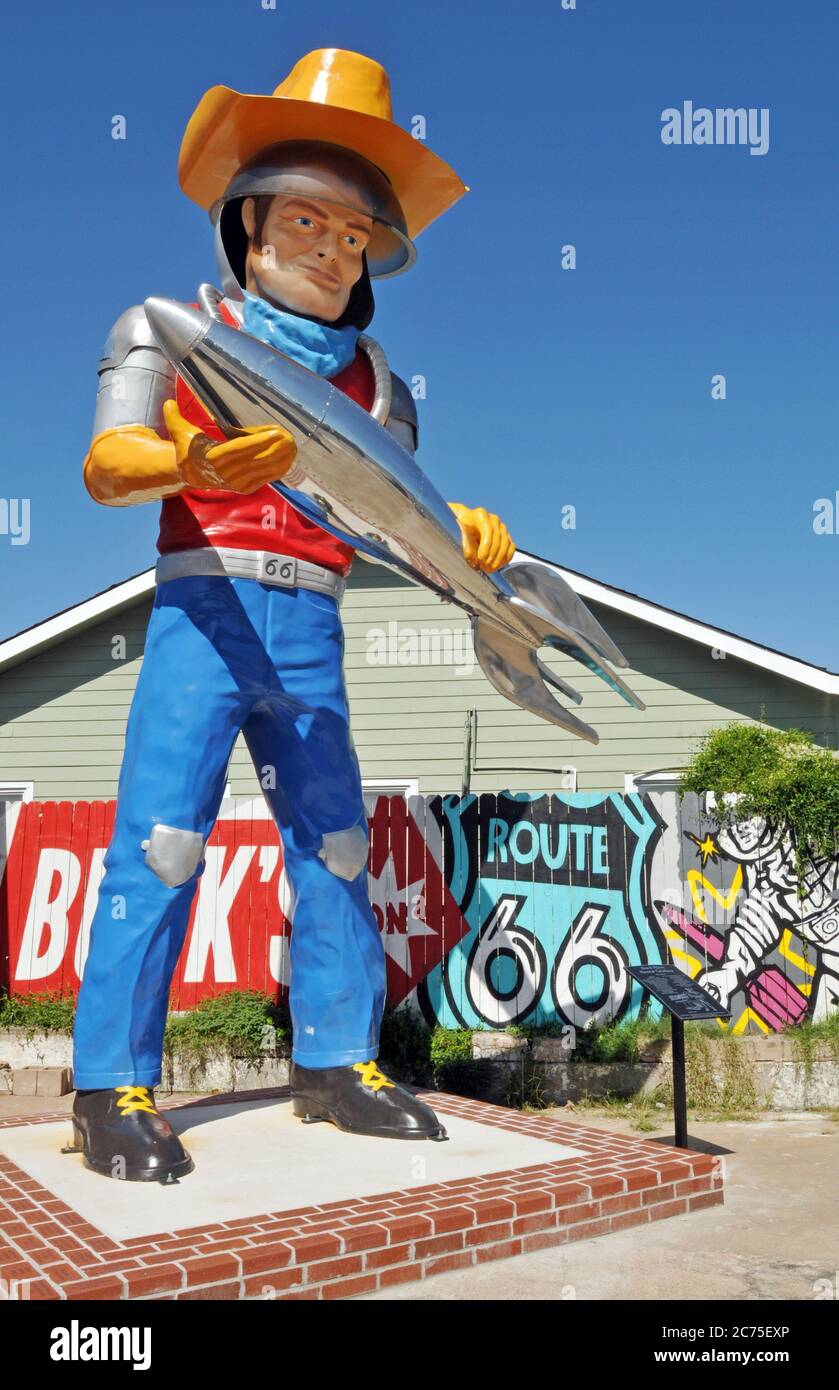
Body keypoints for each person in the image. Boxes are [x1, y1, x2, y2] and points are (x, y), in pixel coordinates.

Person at [69, 49, 516, 1182]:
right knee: (163, 842)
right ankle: (109, 1084)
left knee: (335, 846)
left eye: (352, 235)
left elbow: (387, 524)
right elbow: (107, 463)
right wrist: (188, 457)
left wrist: (455, 533)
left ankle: (335, 1059)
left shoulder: (381, 388)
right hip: (202, 608)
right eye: (307, 222)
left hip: (312, 618)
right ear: (248, 220)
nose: (329, 249)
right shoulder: (172, 330)